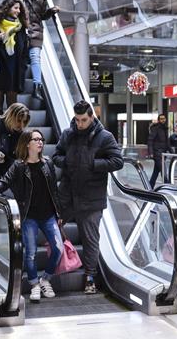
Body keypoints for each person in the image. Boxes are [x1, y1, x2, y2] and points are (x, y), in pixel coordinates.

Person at [53, 100, 124, 295]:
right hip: (67, 194)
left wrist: (93, 164)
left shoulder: (105, 137)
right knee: (51, 229)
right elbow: (56, 156)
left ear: (92, 117)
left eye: (83, 120)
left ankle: (90, 276)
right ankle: (53, 270)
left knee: (90, 239)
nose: (80, 124)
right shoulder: (68, 134)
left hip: (92, 196)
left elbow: (118, 161)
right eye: (77, 120)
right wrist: (66, 161)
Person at [0, 129, 63, 302]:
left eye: (41, 139)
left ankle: (45, 280)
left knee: (58, 248)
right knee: (30, 253)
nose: (40, 142)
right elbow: (5, 180)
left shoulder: (48, 163)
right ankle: (34, 284)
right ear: (27, 143)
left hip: (49, 215)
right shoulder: (19, 166)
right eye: (36, 139)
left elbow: (54, 190)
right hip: (29, 216)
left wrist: (59, 213)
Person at [13, 0, 59, 101]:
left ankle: (37, 87)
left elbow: (42, 15)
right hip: (20, 28)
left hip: (37, 29)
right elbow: (9, 5)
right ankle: (18, 85)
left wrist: (51, 11)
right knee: (20, 58)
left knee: (35, 56)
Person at [147, 114, 170, 187]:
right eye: (161, 119)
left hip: (163, 153)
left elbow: (167, 142)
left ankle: (150, 187)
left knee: (156, 172)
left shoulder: (165, 129)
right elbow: (150, 141)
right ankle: (168, 187)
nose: (163, 120)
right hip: (157, 153)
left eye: (164, 118)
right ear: (159, 120)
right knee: (163, 171)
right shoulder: (155, 128)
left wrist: (172, 152)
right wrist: (151, 153)